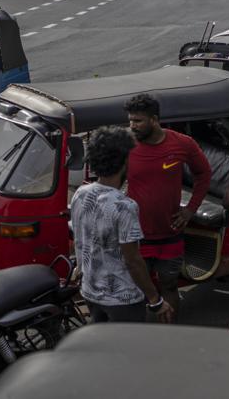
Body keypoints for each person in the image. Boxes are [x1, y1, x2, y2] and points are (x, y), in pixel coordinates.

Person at [71, 126, 174, 324]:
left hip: (90, 291)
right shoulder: (124, 206)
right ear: (124, 162)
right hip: (122, 299)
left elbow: (80, 240)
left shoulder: (80, 194)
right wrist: (155, 300)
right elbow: (133, 261)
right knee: (126, 351)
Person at [125, 94, 211, 323]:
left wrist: (191, 209)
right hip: (136, 235)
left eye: (138, 121)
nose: (132, 125)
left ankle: (170, 334)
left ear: (154, 119)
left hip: (170, 234)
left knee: (169, 285)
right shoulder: (125, 144)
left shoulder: (182, 143)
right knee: (139, 289)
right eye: (130, 120)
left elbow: (204, 174)